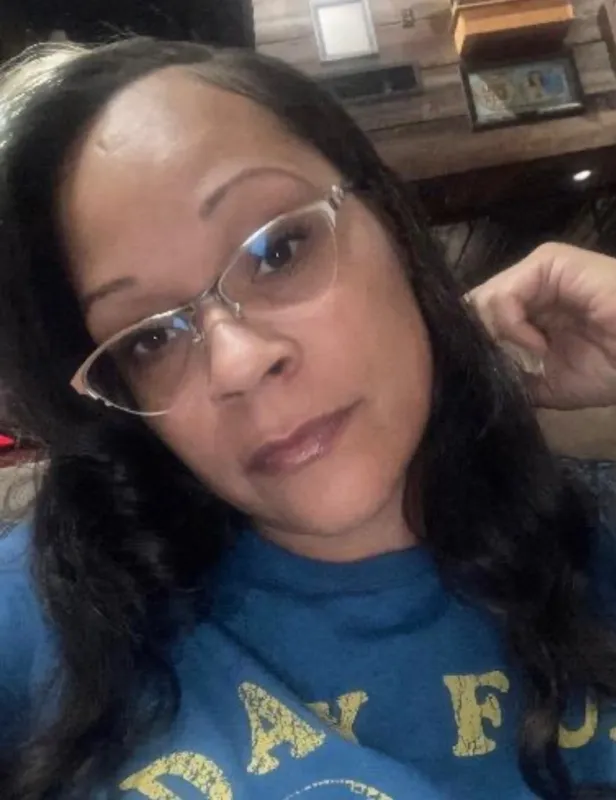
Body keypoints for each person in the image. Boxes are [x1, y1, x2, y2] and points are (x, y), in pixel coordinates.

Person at [0, 37, 615, 800]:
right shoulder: (51, 612)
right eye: (150, 338)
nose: (236, 364)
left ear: (393, 226)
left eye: (279, 250)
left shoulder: (593, 546)